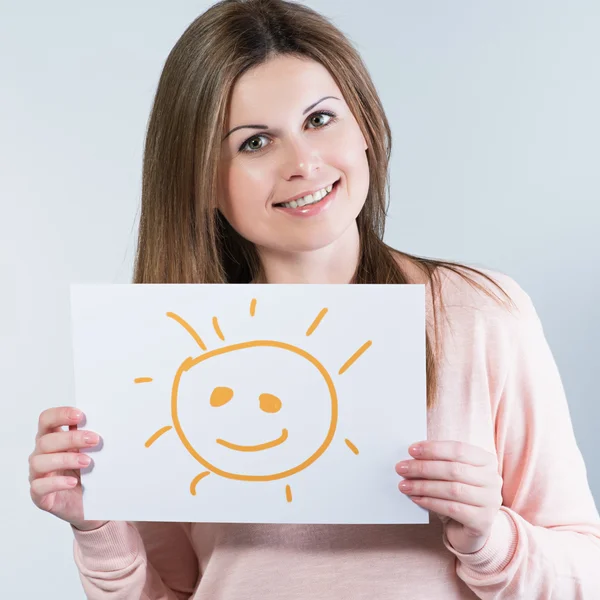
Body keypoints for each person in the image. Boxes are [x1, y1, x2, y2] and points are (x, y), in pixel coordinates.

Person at [28, 0, 600, 598]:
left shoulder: (479, 314)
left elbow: (585, 572)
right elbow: (169, 591)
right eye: (253, 143)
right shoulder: (165, 350)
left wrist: (492, 535)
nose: (303, 163)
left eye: (320, 120)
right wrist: (96, 525)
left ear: (365, 127)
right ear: (199, 177)